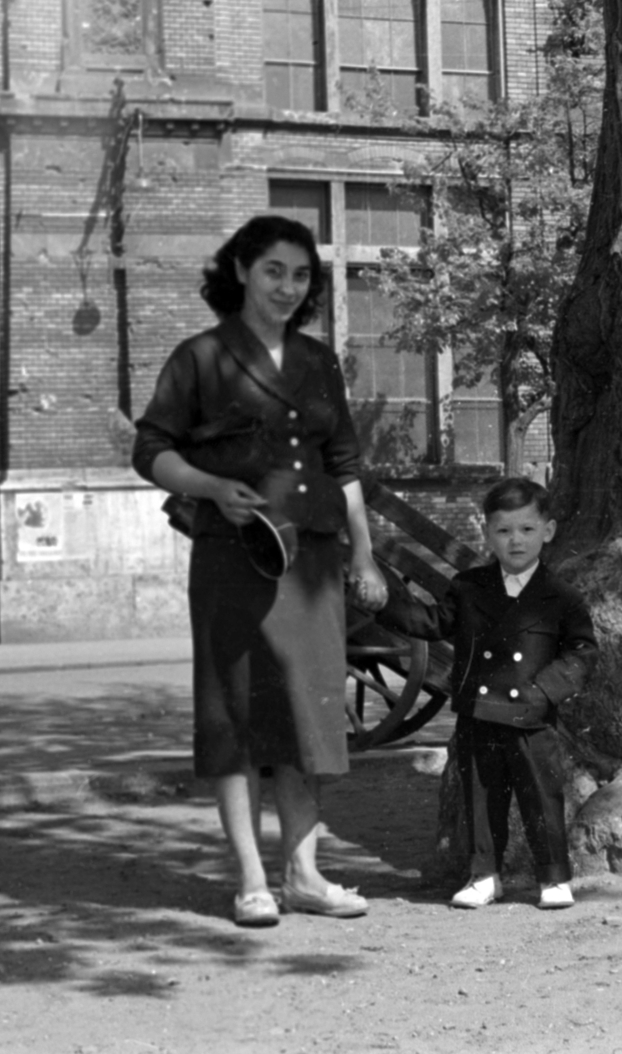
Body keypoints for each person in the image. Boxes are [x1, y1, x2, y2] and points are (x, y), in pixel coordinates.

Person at [133, 215, 389, 928]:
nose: (288, 286)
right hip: (231, 561)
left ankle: (305, 874)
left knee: (308, 718)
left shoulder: (317, 362)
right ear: (242, 268)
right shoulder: (200, 357)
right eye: (274, 270)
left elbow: (344, 466)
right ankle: (252, 879)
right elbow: (150, 450)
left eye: (301, 275)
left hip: (311, 565)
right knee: (236, 717)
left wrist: (362, 552)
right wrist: (211, 486)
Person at [374, 477, 598, 909]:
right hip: (479, 712)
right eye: (504, 530)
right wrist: (383, 602)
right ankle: (483, 876)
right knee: (481, 797)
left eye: (527, 529)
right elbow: (431, 623)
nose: (516, 541)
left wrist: (545, 690)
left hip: (533, 718)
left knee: (540, 797)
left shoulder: (562, 596)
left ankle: (553, 877)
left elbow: (582, 651)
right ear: (486, 533)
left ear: (548, 531)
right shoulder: (469, 587)